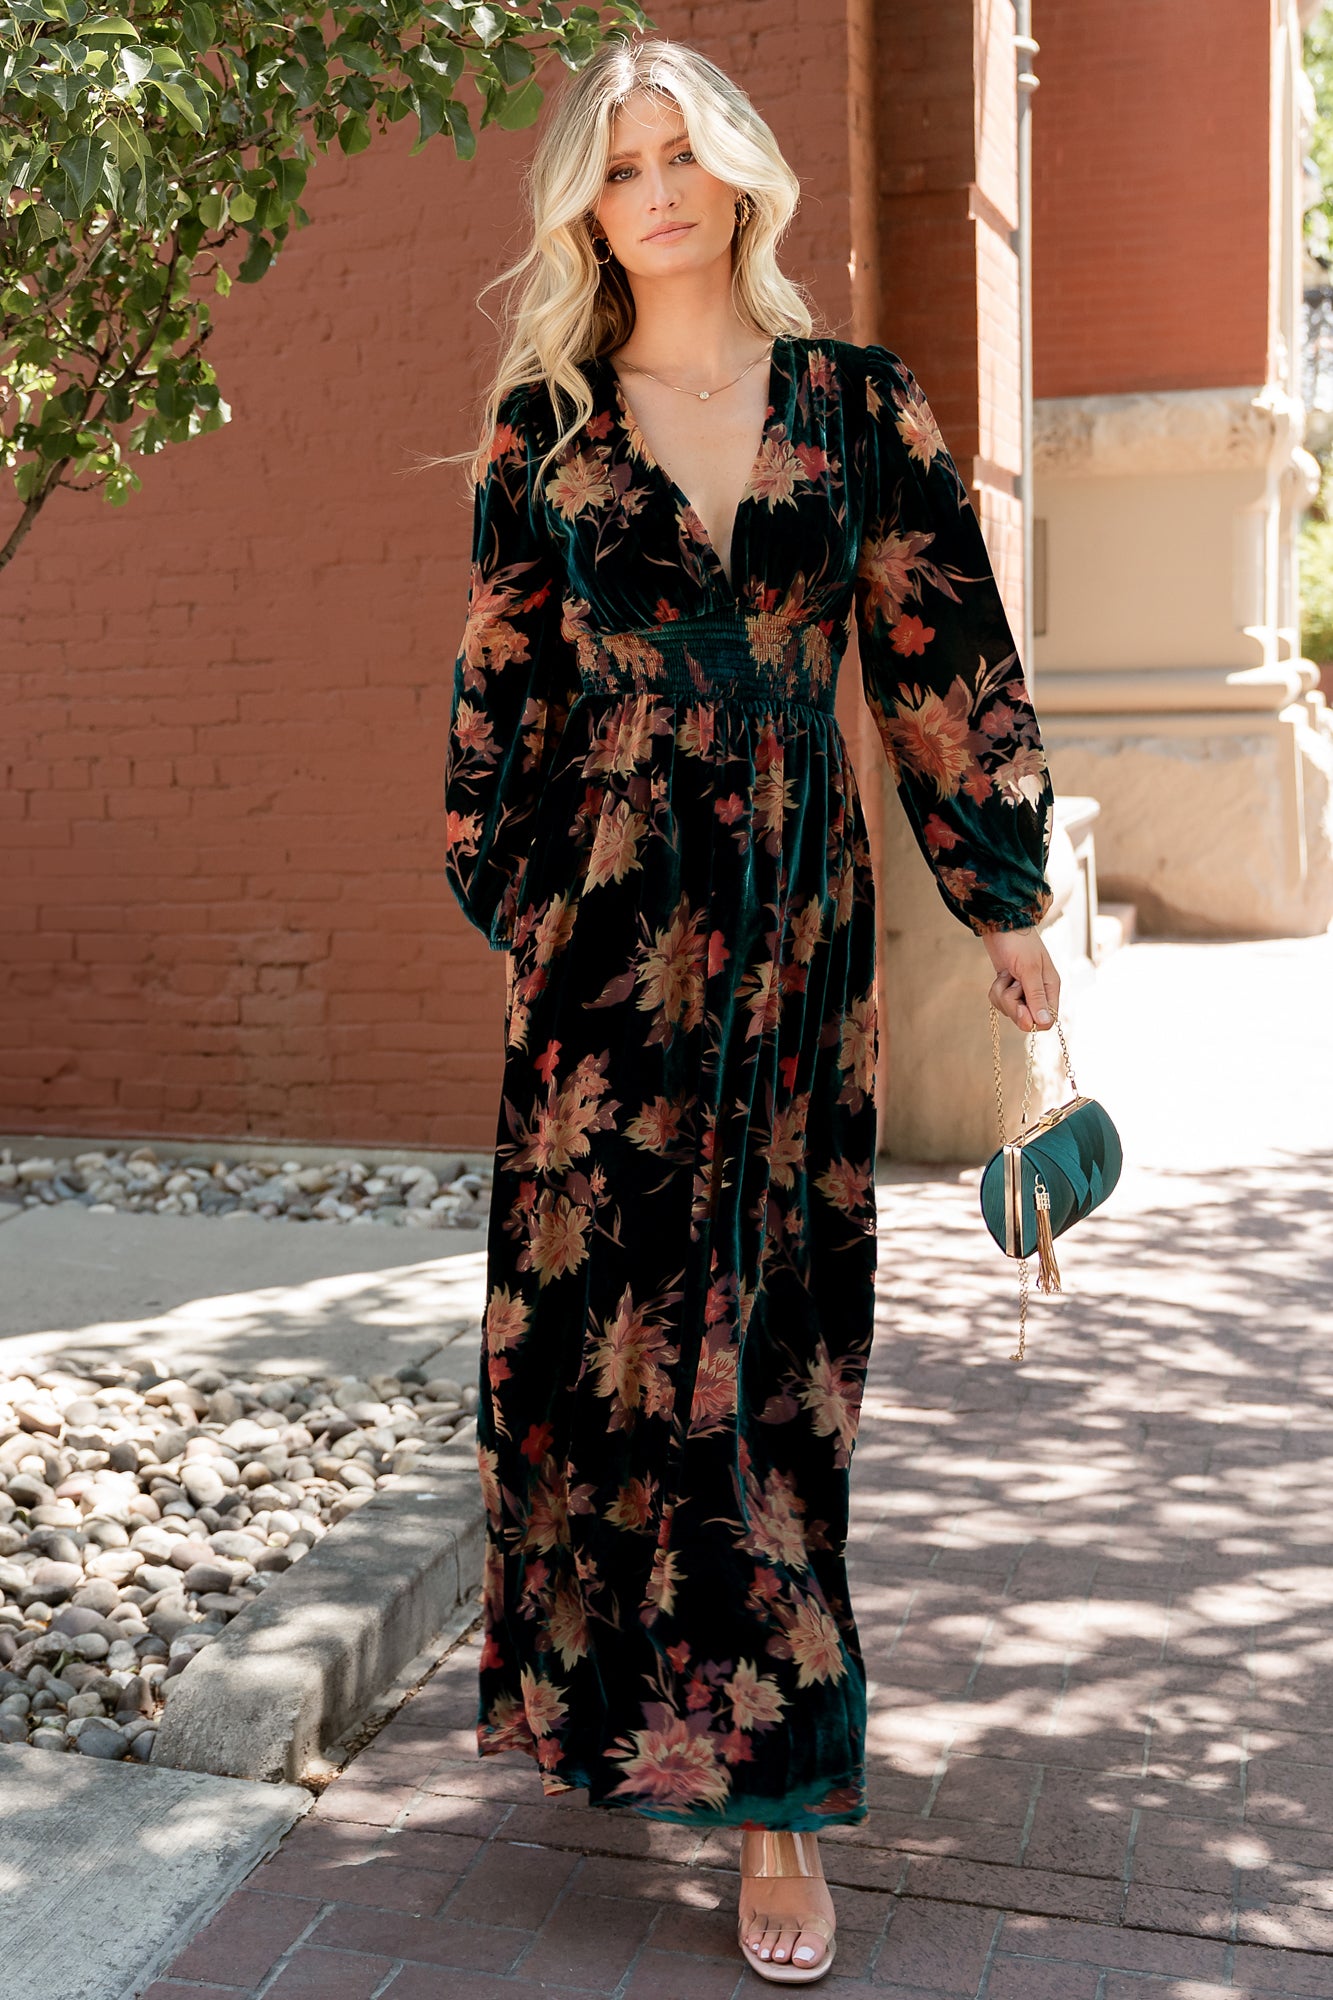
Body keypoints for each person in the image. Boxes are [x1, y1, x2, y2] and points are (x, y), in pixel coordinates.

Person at [443, 34, 1059, 1987]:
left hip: (798, 940)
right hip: (605, 954)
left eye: (677, 155)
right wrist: (529, 916)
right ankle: (633, 1716)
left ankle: (776, 1798)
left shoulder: (854, 402)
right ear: (584, 207)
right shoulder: (542, 428)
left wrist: (1004, 902)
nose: (653, 192)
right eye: (617, 167)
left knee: (776, 1338)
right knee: (605, 1344)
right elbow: (497, 701)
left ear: (737, 174)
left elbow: (942, 645)